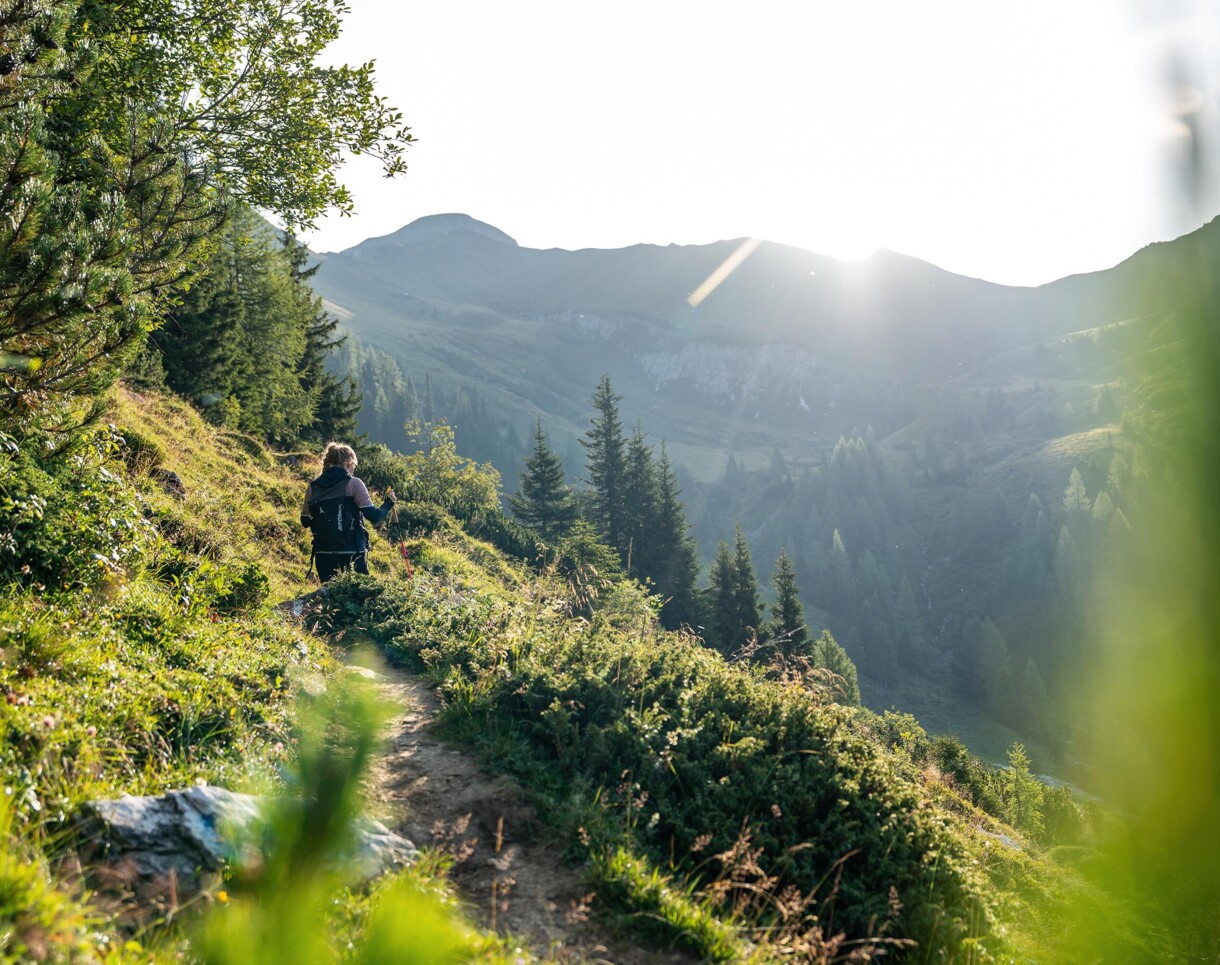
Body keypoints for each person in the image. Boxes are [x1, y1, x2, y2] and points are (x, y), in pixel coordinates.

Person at [301, 442, 396, 582]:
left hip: (323, 554)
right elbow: (374, 516)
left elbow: (304, 521)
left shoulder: (313, 487)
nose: (353, 471)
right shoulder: (353, 483)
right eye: (354, 467)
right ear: (348, 463)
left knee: (330, 600)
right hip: (352, 552)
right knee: (357, 599)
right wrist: (389, 503)